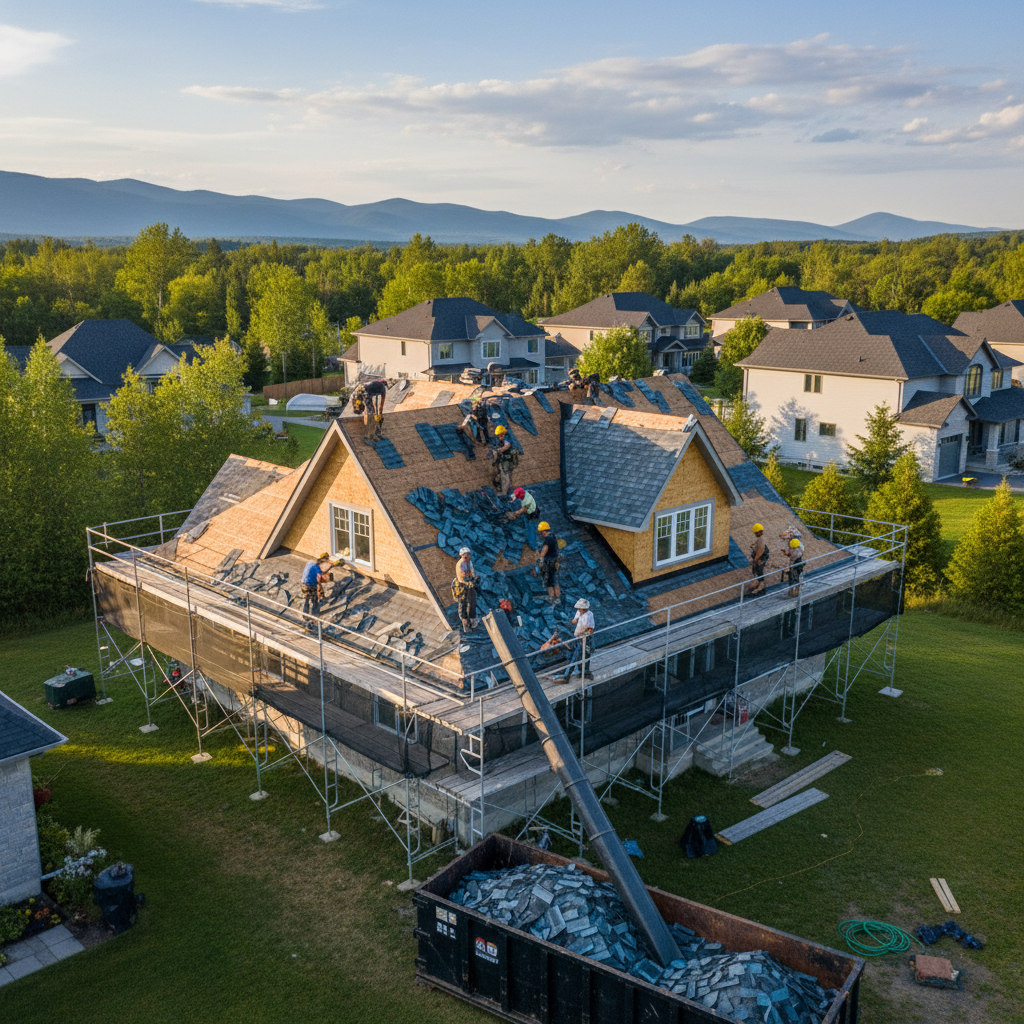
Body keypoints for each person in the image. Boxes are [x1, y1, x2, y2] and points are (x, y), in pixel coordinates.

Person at [562, 598, 595, 680]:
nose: (579, 610)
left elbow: (590, 629)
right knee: (580, 655)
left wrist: (580, 633)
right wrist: (574, 620)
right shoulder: (579, 612)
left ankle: (567, 676)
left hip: (585, 638)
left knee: (579, 655)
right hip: (578, 638)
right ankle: (584, 672)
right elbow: (575, 619)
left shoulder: (589, 616)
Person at [300, 553, 333, 623]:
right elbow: (320, 579)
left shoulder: (310, 562)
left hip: (303, 583)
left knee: (306, 600)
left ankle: (305, 616)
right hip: (311, 585)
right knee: (314, 600)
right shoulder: (317, 568)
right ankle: (315, 615)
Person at [452, 546, 479, 630]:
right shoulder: (460, 564)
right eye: (465, 555)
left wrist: (473, 579)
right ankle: (465, 623)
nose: (467, 556)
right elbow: (461, 577)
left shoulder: (469, 562)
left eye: (468, 554)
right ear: (462, 555)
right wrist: (468, 582)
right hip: (461, 586)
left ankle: (472, 619)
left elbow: (472, 572)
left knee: (472, 602)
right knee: (463, 604)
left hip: (469, 584)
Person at [489, 425, 518, 495]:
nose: (500, 437)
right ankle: (499, 484)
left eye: (500, 435)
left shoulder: (507, 439)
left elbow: (507, 446)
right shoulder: (501, 439)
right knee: (503, 475)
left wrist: (499, 450)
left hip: (507, 461)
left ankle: (504, 491)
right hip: (503, 461)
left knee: (506, 476)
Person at [537, 522, 561, 604]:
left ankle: (552, 598)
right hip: (555, 561)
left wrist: (541, 558)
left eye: (540, 533)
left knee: (549, 581)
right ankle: (558, 598)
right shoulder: (553, 536)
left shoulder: (548, 539)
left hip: (549, 562)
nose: (540, 535)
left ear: (543, 532)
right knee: (555, 580)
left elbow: (545, 548)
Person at [747, 523, 769, 596]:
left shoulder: (761, 541)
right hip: (760, 558)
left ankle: (761, 585)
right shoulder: (760, 539)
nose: (755, 534)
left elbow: (760, 552)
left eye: (756, 533)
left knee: (759, 570)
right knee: (756, 570)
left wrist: (756, 559)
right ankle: (758, 582)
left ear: (760, 532)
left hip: (760, 559)